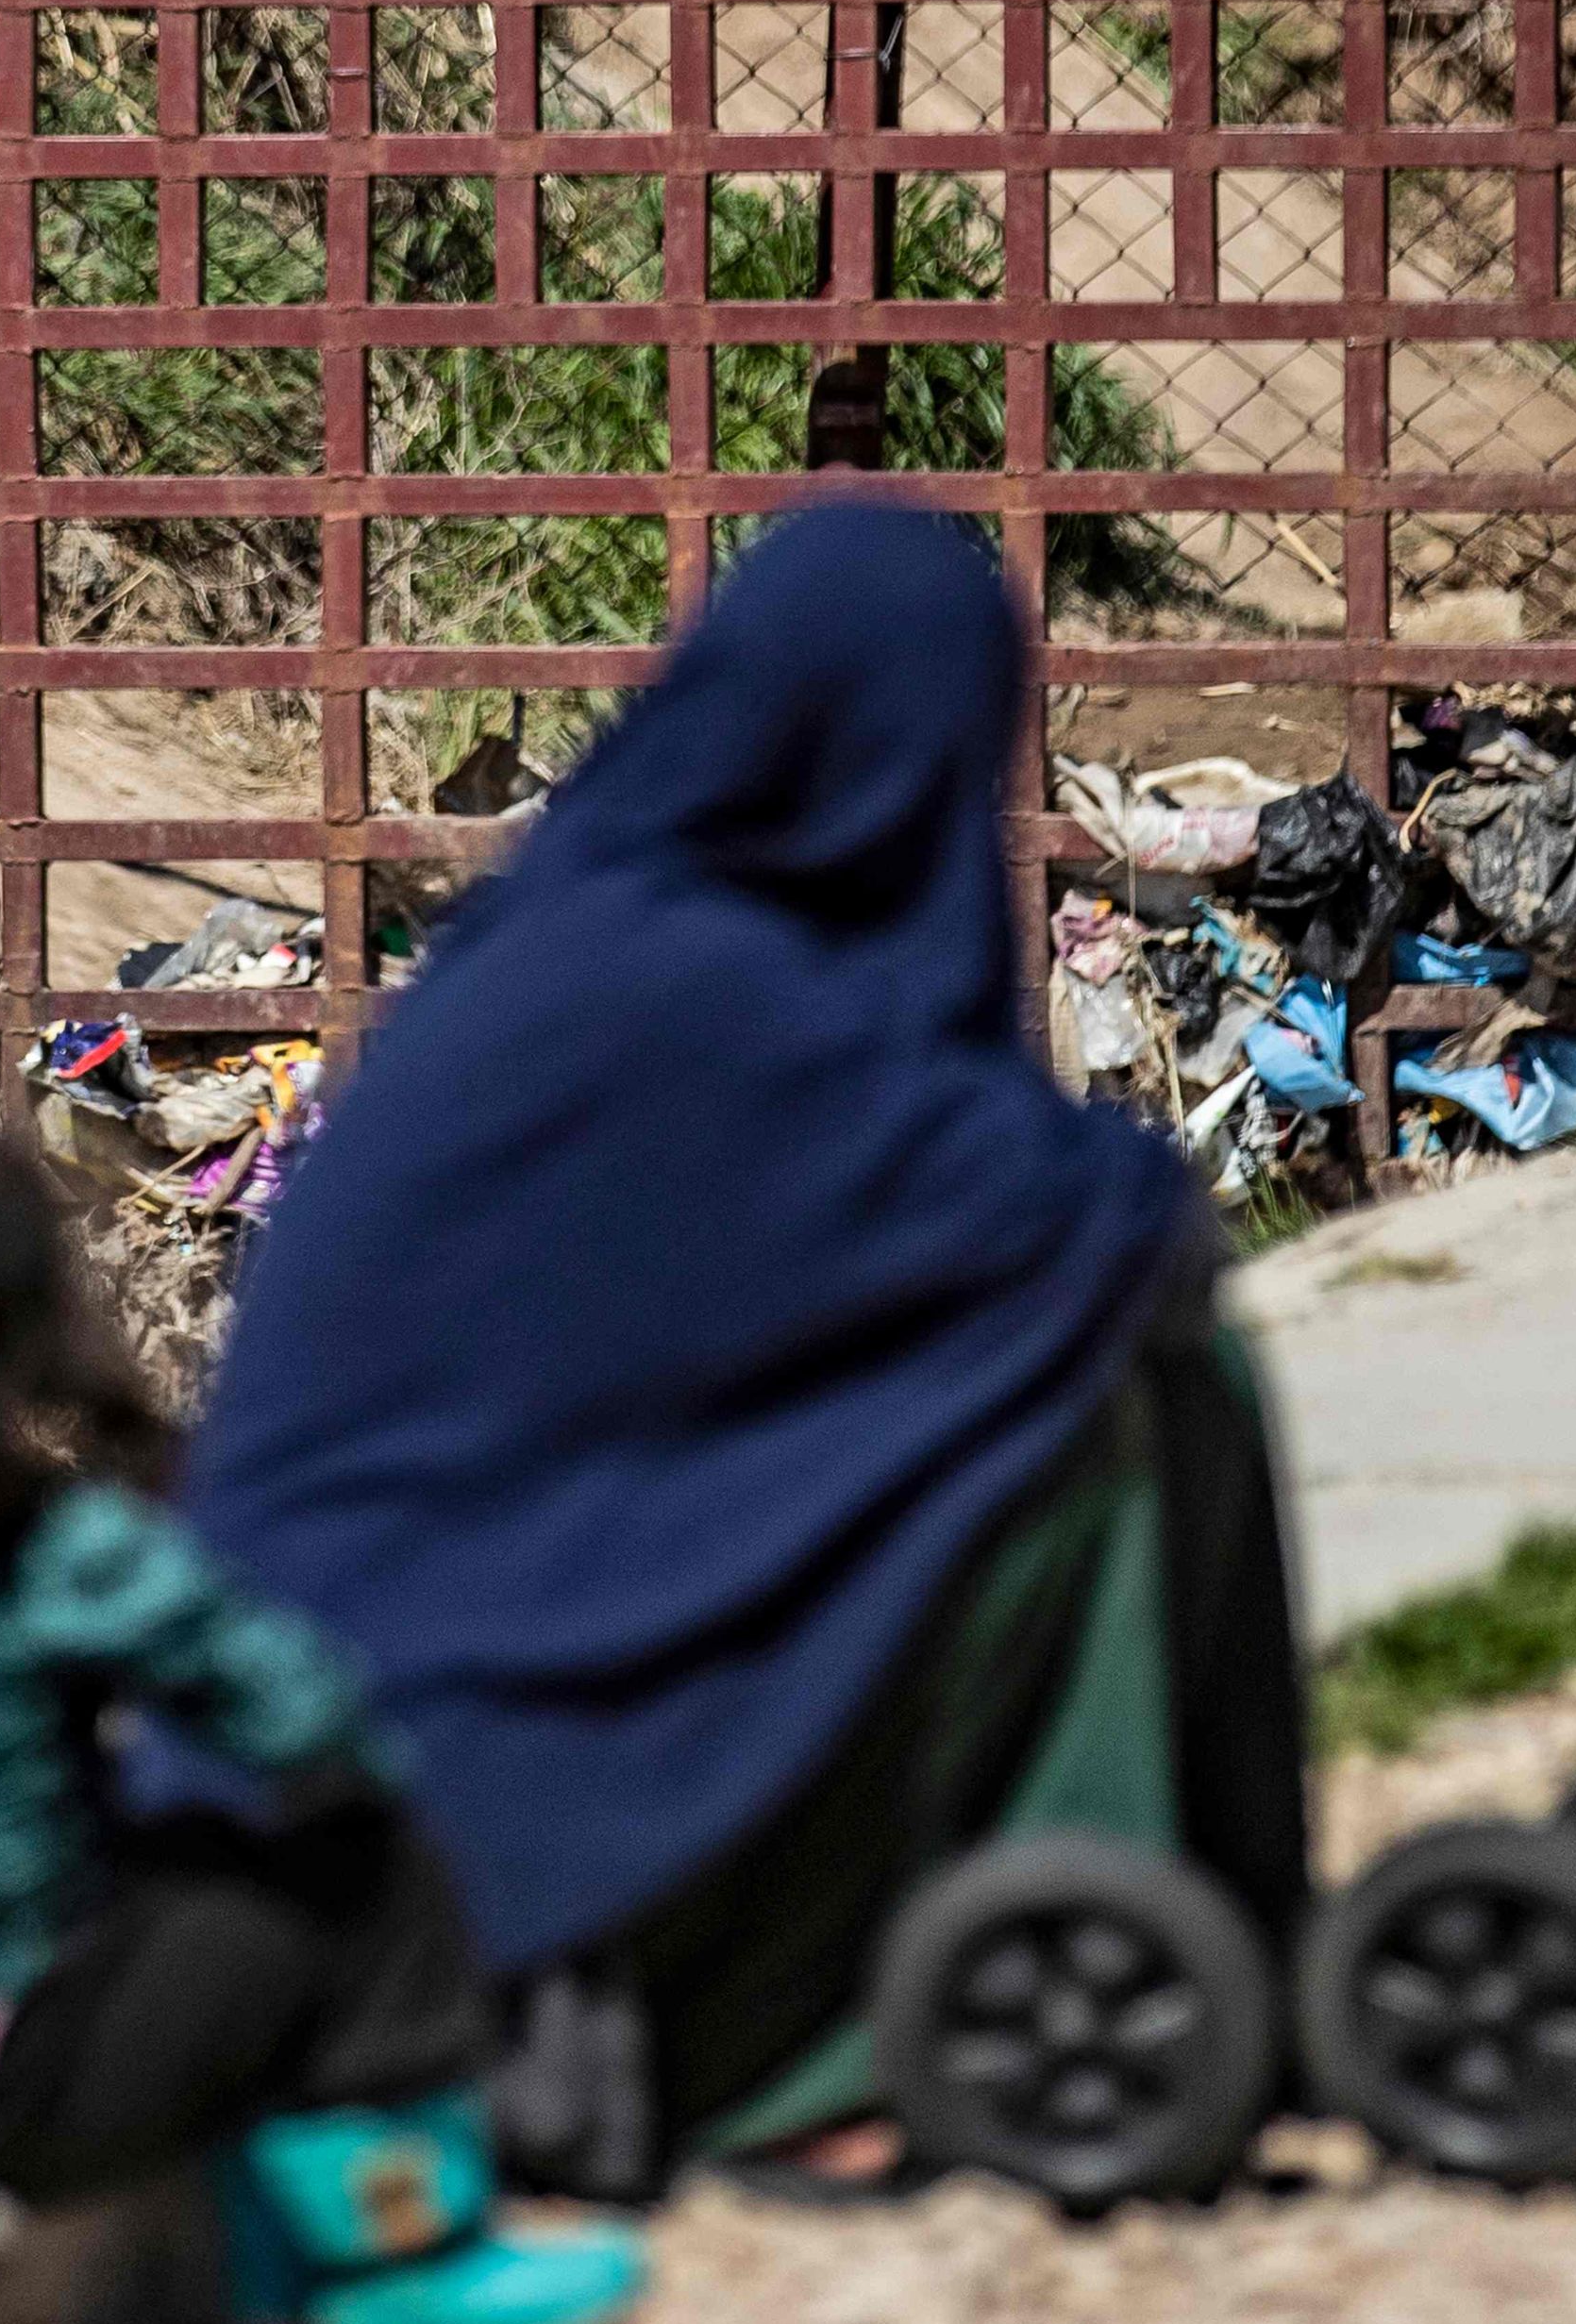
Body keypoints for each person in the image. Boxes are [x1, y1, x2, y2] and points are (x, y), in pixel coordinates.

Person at [176, 498, 1310, 2197]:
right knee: (1111, 1405)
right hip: (434, 1821)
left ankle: (1058, 1947)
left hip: (344, 1769)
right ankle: (887, 2013)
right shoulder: (705, 987)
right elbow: (1098, 1231)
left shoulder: (583, 936)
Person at [0, 1053, 644, 2324]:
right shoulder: (31, 1543)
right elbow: (301, 1713)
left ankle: (258, 2248)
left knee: (155, 1877)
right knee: (361, 1869)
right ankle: (406, 2250)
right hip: (2, 2079)